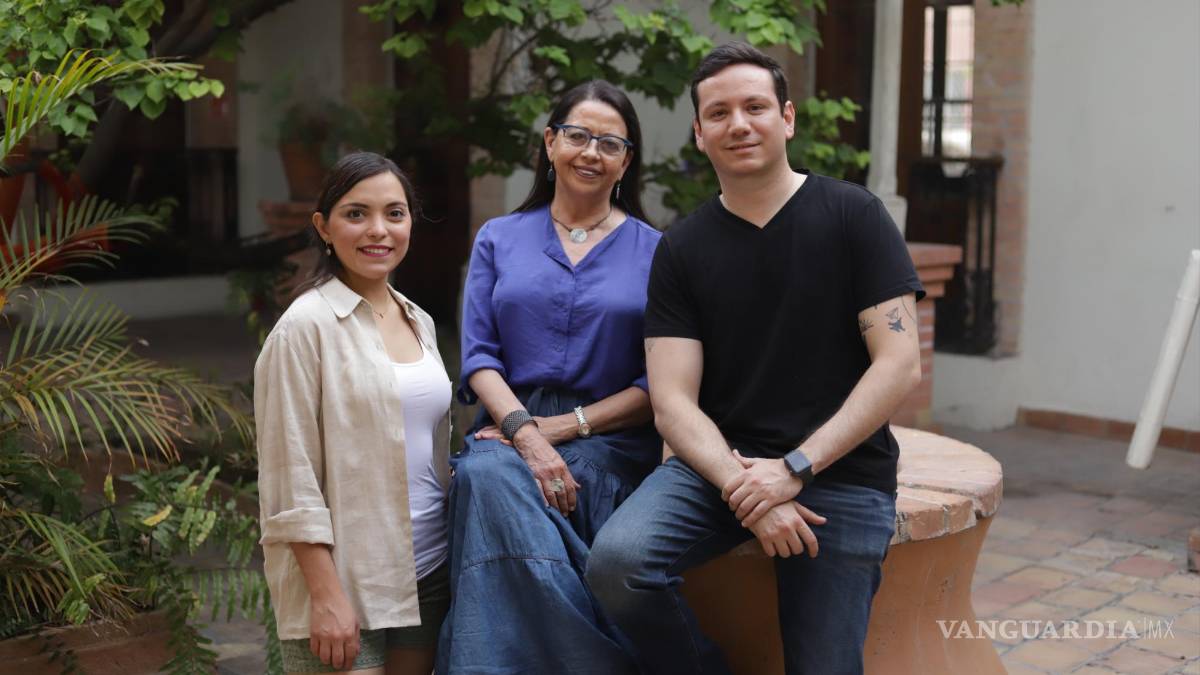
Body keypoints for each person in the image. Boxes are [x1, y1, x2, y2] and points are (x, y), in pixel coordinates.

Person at [586, 42, 926, 675]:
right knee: (617, 566)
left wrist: (795, 467)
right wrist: (754, 490)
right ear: (699, 133)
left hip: (841, 475)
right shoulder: (682, 249)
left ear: (787, 118)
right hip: (720, 472)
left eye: (755, 107)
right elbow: (672, 401)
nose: (738, 124)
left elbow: (899, 363)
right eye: (719, 113)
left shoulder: (854, 216)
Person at [437, 80, 661, 674]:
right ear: (550, 143)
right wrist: (527, 433)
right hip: (508, 425)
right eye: (578, 135)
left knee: (490, 483)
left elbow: (658, 383)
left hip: (610, 440)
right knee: (488, 473)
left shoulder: (657, 252)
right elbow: (479, 358)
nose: (591, 152)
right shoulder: (499, 238)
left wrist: (563, 428)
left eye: (610, 143)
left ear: (626, 162)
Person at [256, 152, 452, 674]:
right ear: (324, 227)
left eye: (394, 213)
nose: (378, 230)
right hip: (345, 579)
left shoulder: (419, 320)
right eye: (356, 214)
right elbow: (289, 476)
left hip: (429, 570)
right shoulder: (304, 328)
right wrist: (325, 595)